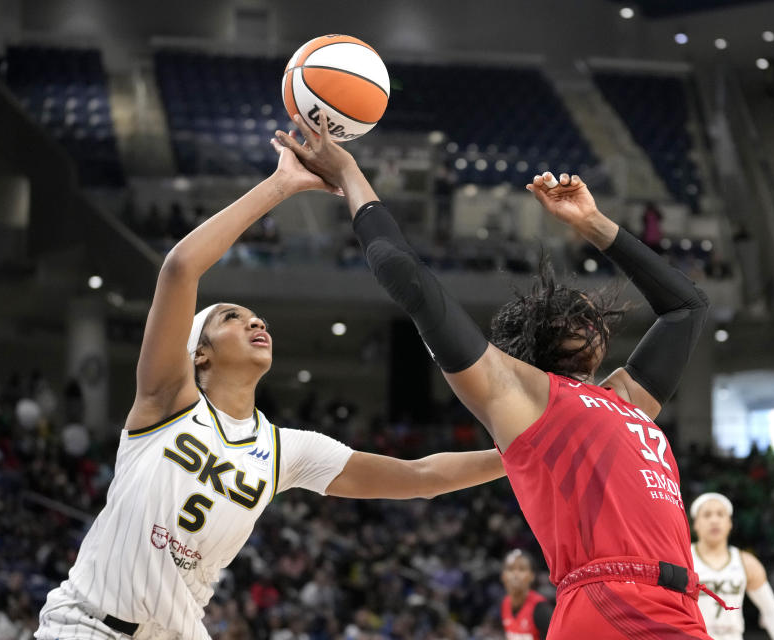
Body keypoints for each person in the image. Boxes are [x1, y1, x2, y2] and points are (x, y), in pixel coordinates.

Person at [34, 141, 506, 640]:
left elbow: (422, 477)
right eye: (232, 317)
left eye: (256, 317)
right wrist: (281, 185)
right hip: (87, 627)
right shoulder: (168, 399)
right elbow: (179, 269)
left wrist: (519, 452)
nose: (255, 320)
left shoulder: (284, 451)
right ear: (200, 353)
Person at [280, 111, 713, 638]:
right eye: (568, 310)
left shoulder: (623, 398)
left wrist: (592, 224)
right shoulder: (526, 396)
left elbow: (686, 308)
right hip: (616, 600)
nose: (585, 312)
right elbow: (405, 274)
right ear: (537, 343)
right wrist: (349, 173)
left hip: (676, 600)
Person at [690, 493, 774, 640]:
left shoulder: (747, 563)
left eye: (720, 514)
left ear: (730, 523)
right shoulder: (683, 559)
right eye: (707, 515)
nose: (714, 520)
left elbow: (771, 611)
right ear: (695, 524)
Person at [500, 550, 552, 640]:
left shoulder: (541, 608)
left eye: (521, 569)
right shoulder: (505, 603)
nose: (515, 574)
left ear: (532, 576)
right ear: (503, 576)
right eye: (510, 569)